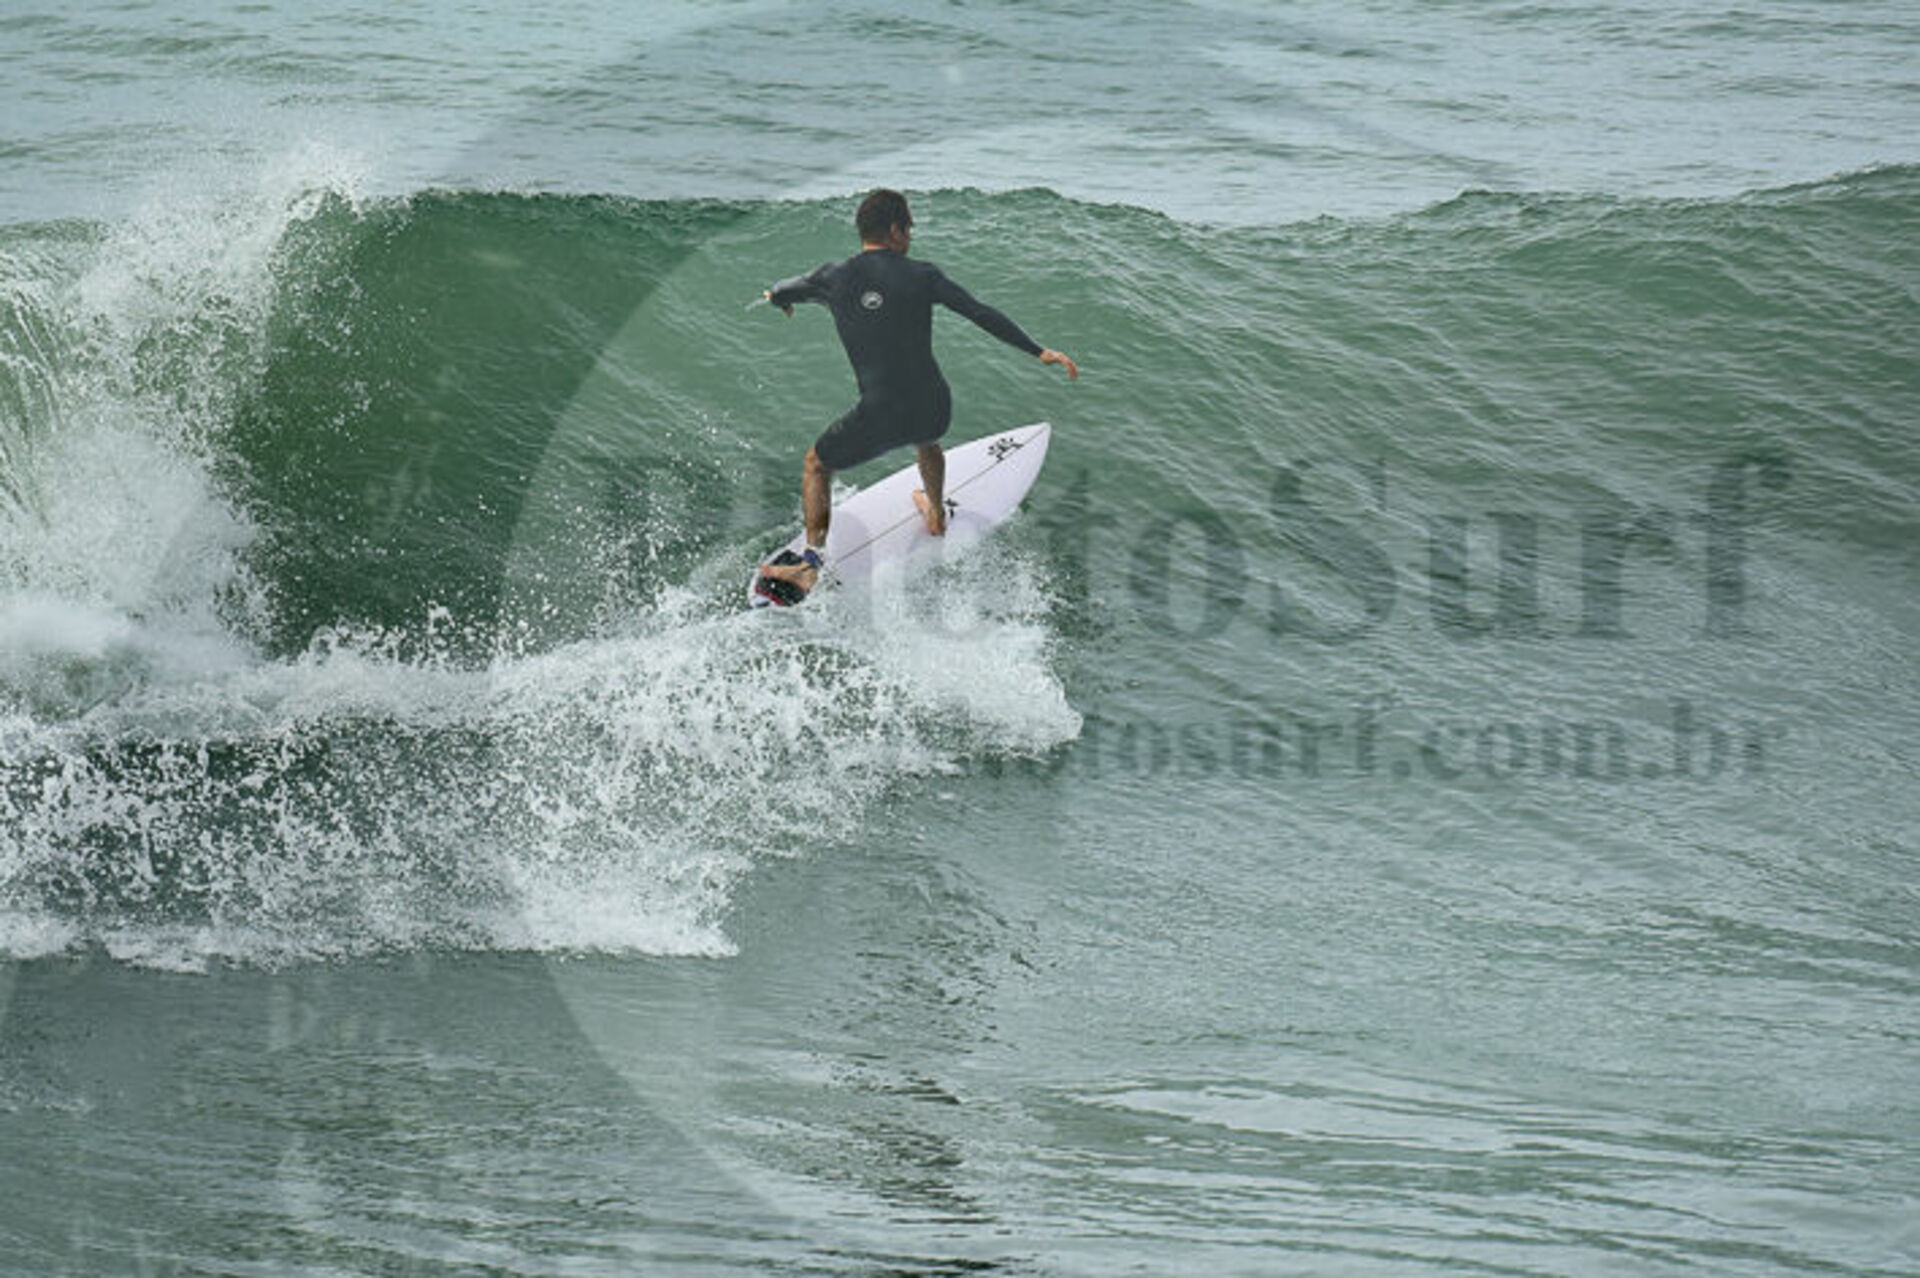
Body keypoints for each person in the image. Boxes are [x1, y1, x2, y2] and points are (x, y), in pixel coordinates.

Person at [757, 188, 1078, 601]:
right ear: (894, 230)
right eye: (908, 228)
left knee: (817, 465)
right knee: (927, 442)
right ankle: (937, 514)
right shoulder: (924, 275)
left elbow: (783, 288)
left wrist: (777, 301)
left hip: (879, 414)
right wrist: (1039, 351)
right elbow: (980, 312)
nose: (910, 235)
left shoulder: (832, 278)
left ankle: (810, 562)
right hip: (934, 408)